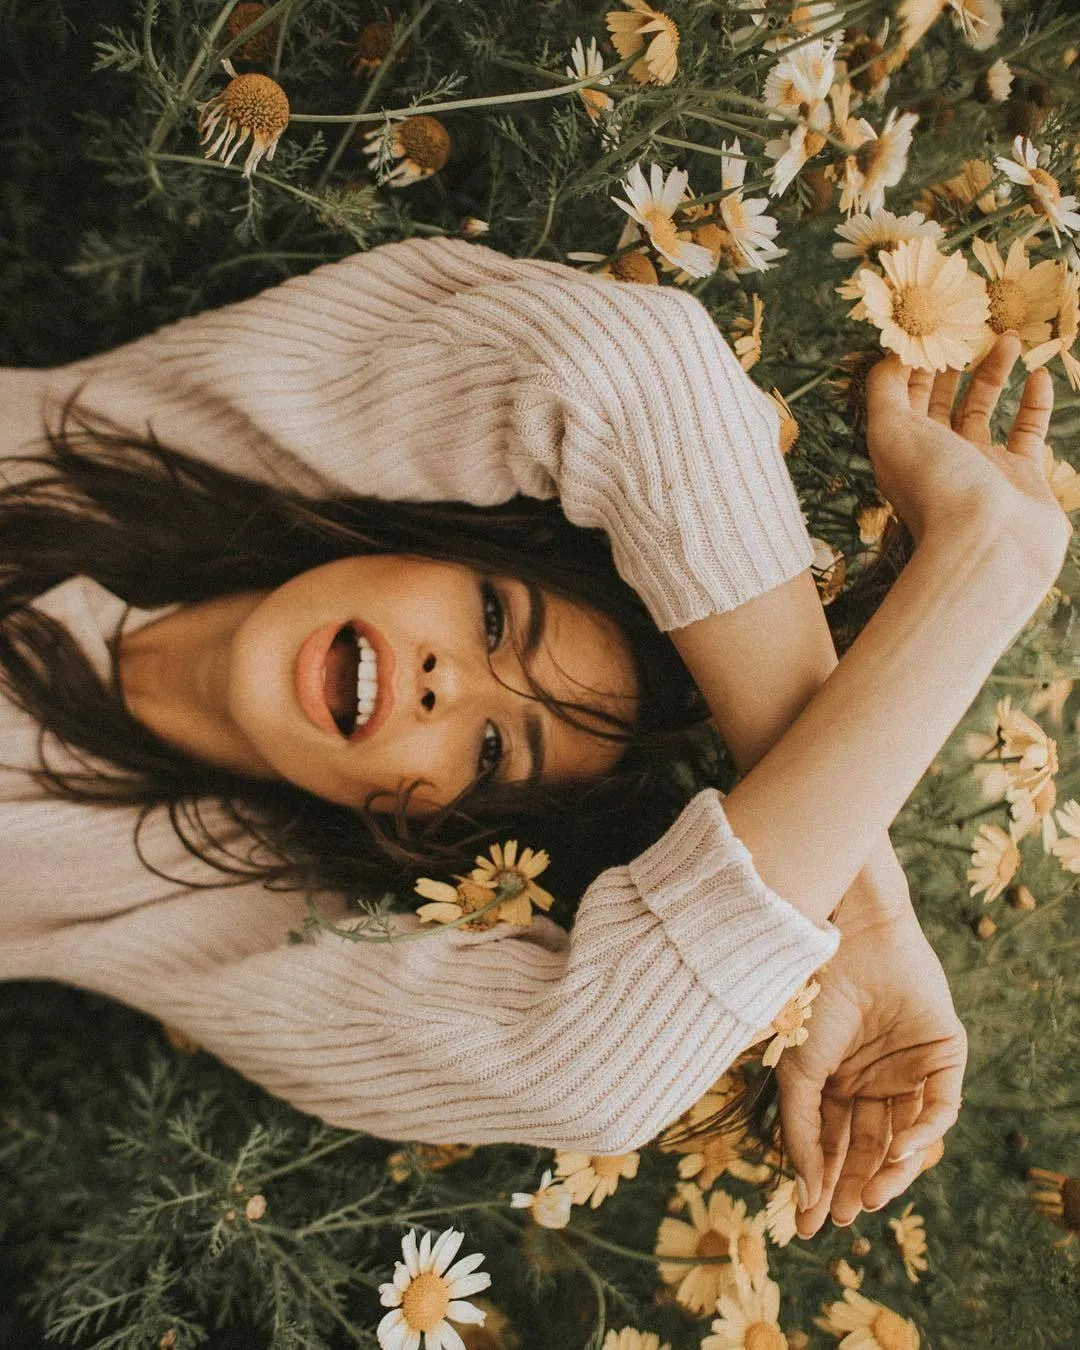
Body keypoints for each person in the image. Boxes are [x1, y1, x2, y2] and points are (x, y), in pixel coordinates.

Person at [0, 235, 1069, 1236]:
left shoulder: (222, 920)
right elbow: (630, 371)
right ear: (424, 541)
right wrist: (865, 905)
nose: (442, 686)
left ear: (427, 832)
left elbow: (582, 1072)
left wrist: (983, 581)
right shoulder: (199, 434)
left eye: (492, 752)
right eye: (495, 620)